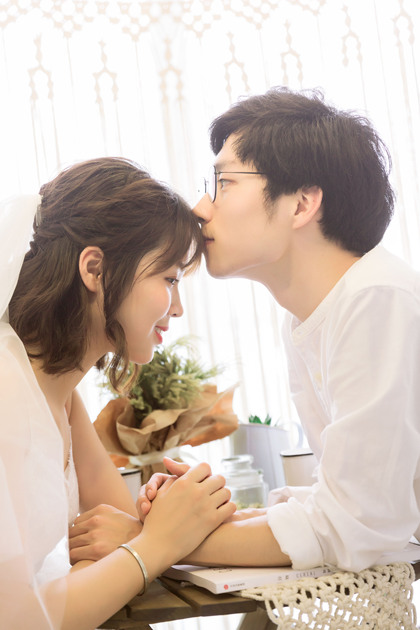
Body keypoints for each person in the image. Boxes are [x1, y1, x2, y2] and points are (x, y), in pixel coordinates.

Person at [139, 87, 420, 573]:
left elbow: (355, 525)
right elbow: (346, 502)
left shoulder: (376, 299)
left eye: (225, 183)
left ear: (302, 203)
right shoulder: (310, 315)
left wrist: (155, 543)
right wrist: (199, 517)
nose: (201, 207)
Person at [0, 157, 235, 630]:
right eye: (169, 279)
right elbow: (16, 618)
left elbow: (120, 521)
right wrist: (157, 542)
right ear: (95, 269)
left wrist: (157, 516)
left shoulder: (64, 398)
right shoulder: (8, 392)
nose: (178, 308)